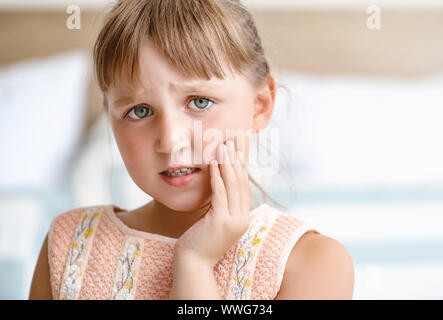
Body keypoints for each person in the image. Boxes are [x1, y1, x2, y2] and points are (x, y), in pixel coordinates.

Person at [29, 0, 354, 300]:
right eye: (139, 111)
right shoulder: (68, 245)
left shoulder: (310, 264)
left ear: (259, 105)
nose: (171, 141)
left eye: (200, 102)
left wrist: (195, 265)